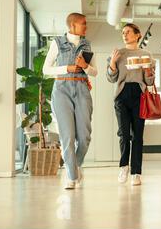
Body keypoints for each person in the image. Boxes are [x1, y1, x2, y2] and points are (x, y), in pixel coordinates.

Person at [43, 13, 97, 190]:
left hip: (82, 90)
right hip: (62, 90)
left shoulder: (87, 44)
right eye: (83, 24)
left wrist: (85, 66)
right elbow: (46, 69)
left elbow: (94, 72)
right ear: (73, 25)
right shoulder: (57, 43)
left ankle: (76, 165)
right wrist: (67, 67)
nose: (86, 27)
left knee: (85, 137)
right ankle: (71, 176)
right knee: (67, 137)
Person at [107, 23, 155, 186]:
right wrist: (112, 63)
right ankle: (124, 166)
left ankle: (136, 172)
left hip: (139, 95)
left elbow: (150, 81)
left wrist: (148, 71)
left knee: (138, 136)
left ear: (138, 35)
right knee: (124, 134)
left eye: (128, 32)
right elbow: (111, 78)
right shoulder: (118, 54)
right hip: (121, 94)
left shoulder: (146, 54)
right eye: (123, 32)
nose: (125, 35)